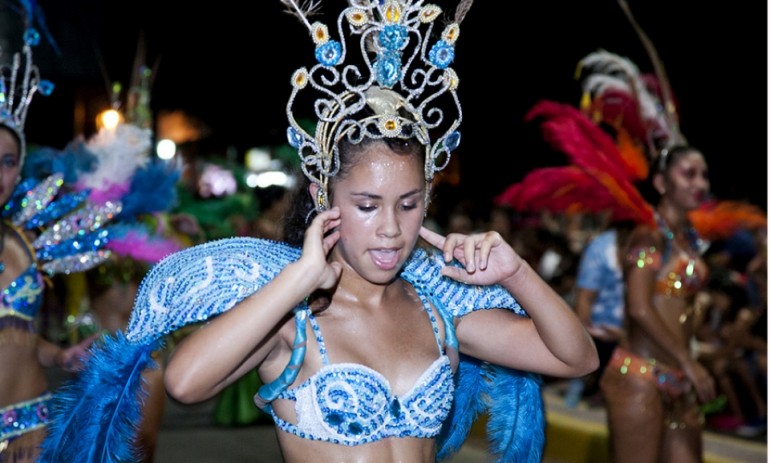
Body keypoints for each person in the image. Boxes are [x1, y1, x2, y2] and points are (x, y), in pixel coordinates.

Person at [38, 2, 598, 462]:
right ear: (323, 196)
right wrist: (302, 277)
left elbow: (577, 360)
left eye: (408, 204)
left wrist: (517, 275)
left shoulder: (439, 309)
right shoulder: (295, 316)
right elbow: (186, 383)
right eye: (366, 204)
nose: (389, 229)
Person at [599, 145, 717, 462]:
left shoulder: (688, 239)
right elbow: (638, 307)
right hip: (640, 378)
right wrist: (688, 360)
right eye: (689, 174)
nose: (700, 184)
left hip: (680, 379)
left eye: (704, 175)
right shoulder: (648, 236)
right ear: (662, 183)